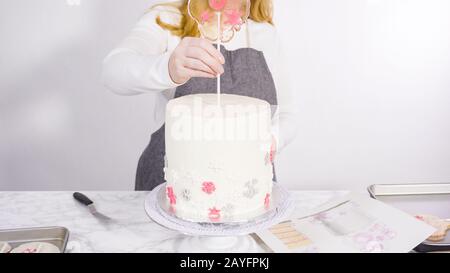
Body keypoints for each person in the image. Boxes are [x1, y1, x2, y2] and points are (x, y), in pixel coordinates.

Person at [102, 0, 297, 190]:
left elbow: (286, 116)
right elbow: (113, 71)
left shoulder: (265, 34)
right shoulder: (167, 20)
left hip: (247, 187)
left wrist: (270, 140)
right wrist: (168, 68)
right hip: (170, 184)